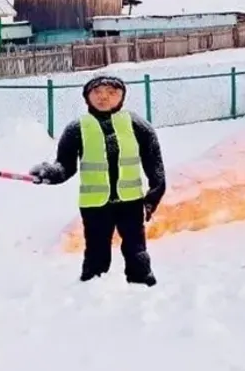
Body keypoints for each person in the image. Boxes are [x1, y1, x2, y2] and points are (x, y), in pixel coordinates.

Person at [29, 74, 166, 286]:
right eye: (98, 92)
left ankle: (142, 282)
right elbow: (64, 166)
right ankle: (92, 285)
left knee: (136, 247)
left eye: (112, 93)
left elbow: (154, 162)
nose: (104, 97)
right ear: (87, 97)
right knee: (96, 249)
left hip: (130, 201)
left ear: (122, 96)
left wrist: (154, 195)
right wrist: (49, 173)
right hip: (95, 204)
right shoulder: (77, 128)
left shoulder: (137, 125)